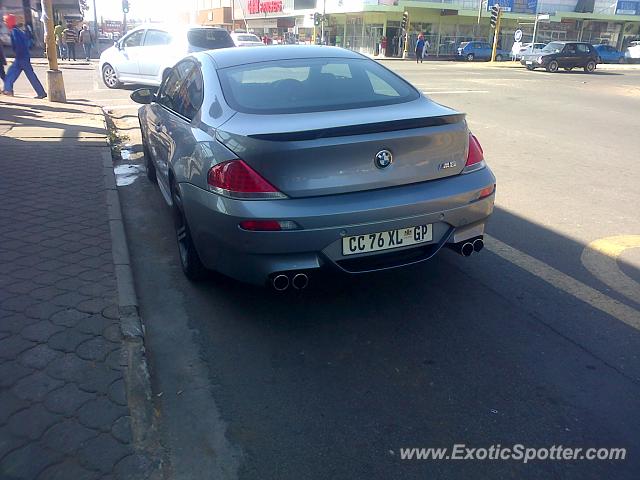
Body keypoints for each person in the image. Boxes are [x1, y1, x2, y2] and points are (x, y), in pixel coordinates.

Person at [1, 14, 46, 98]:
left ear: (8, 22)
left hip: (20, 57)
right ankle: (41, 92)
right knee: (28, 75)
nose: (5, 23)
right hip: (24, 56)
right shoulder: (18, 30)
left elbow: (19, 45)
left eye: (5, 21)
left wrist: (18, 55)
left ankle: (8, 90)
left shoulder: (14, 32)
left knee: (11, 73)